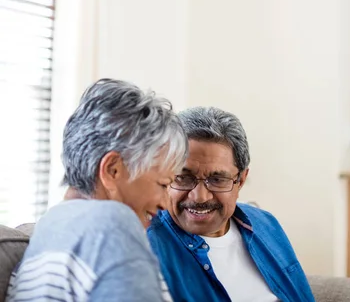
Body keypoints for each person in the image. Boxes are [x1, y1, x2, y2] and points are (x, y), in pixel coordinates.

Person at [7, 79, 187, 302]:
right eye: (162, 184)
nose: (164, 203)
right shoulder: (111, 225)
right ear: (112, 170)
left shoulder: (51, 225)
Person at [148, 106, 315, 302]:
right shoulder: (146, 245)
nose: (199, 197)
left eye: (217, 180)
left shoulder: (265, 224)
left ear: (241, 180)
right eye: (183, 177)